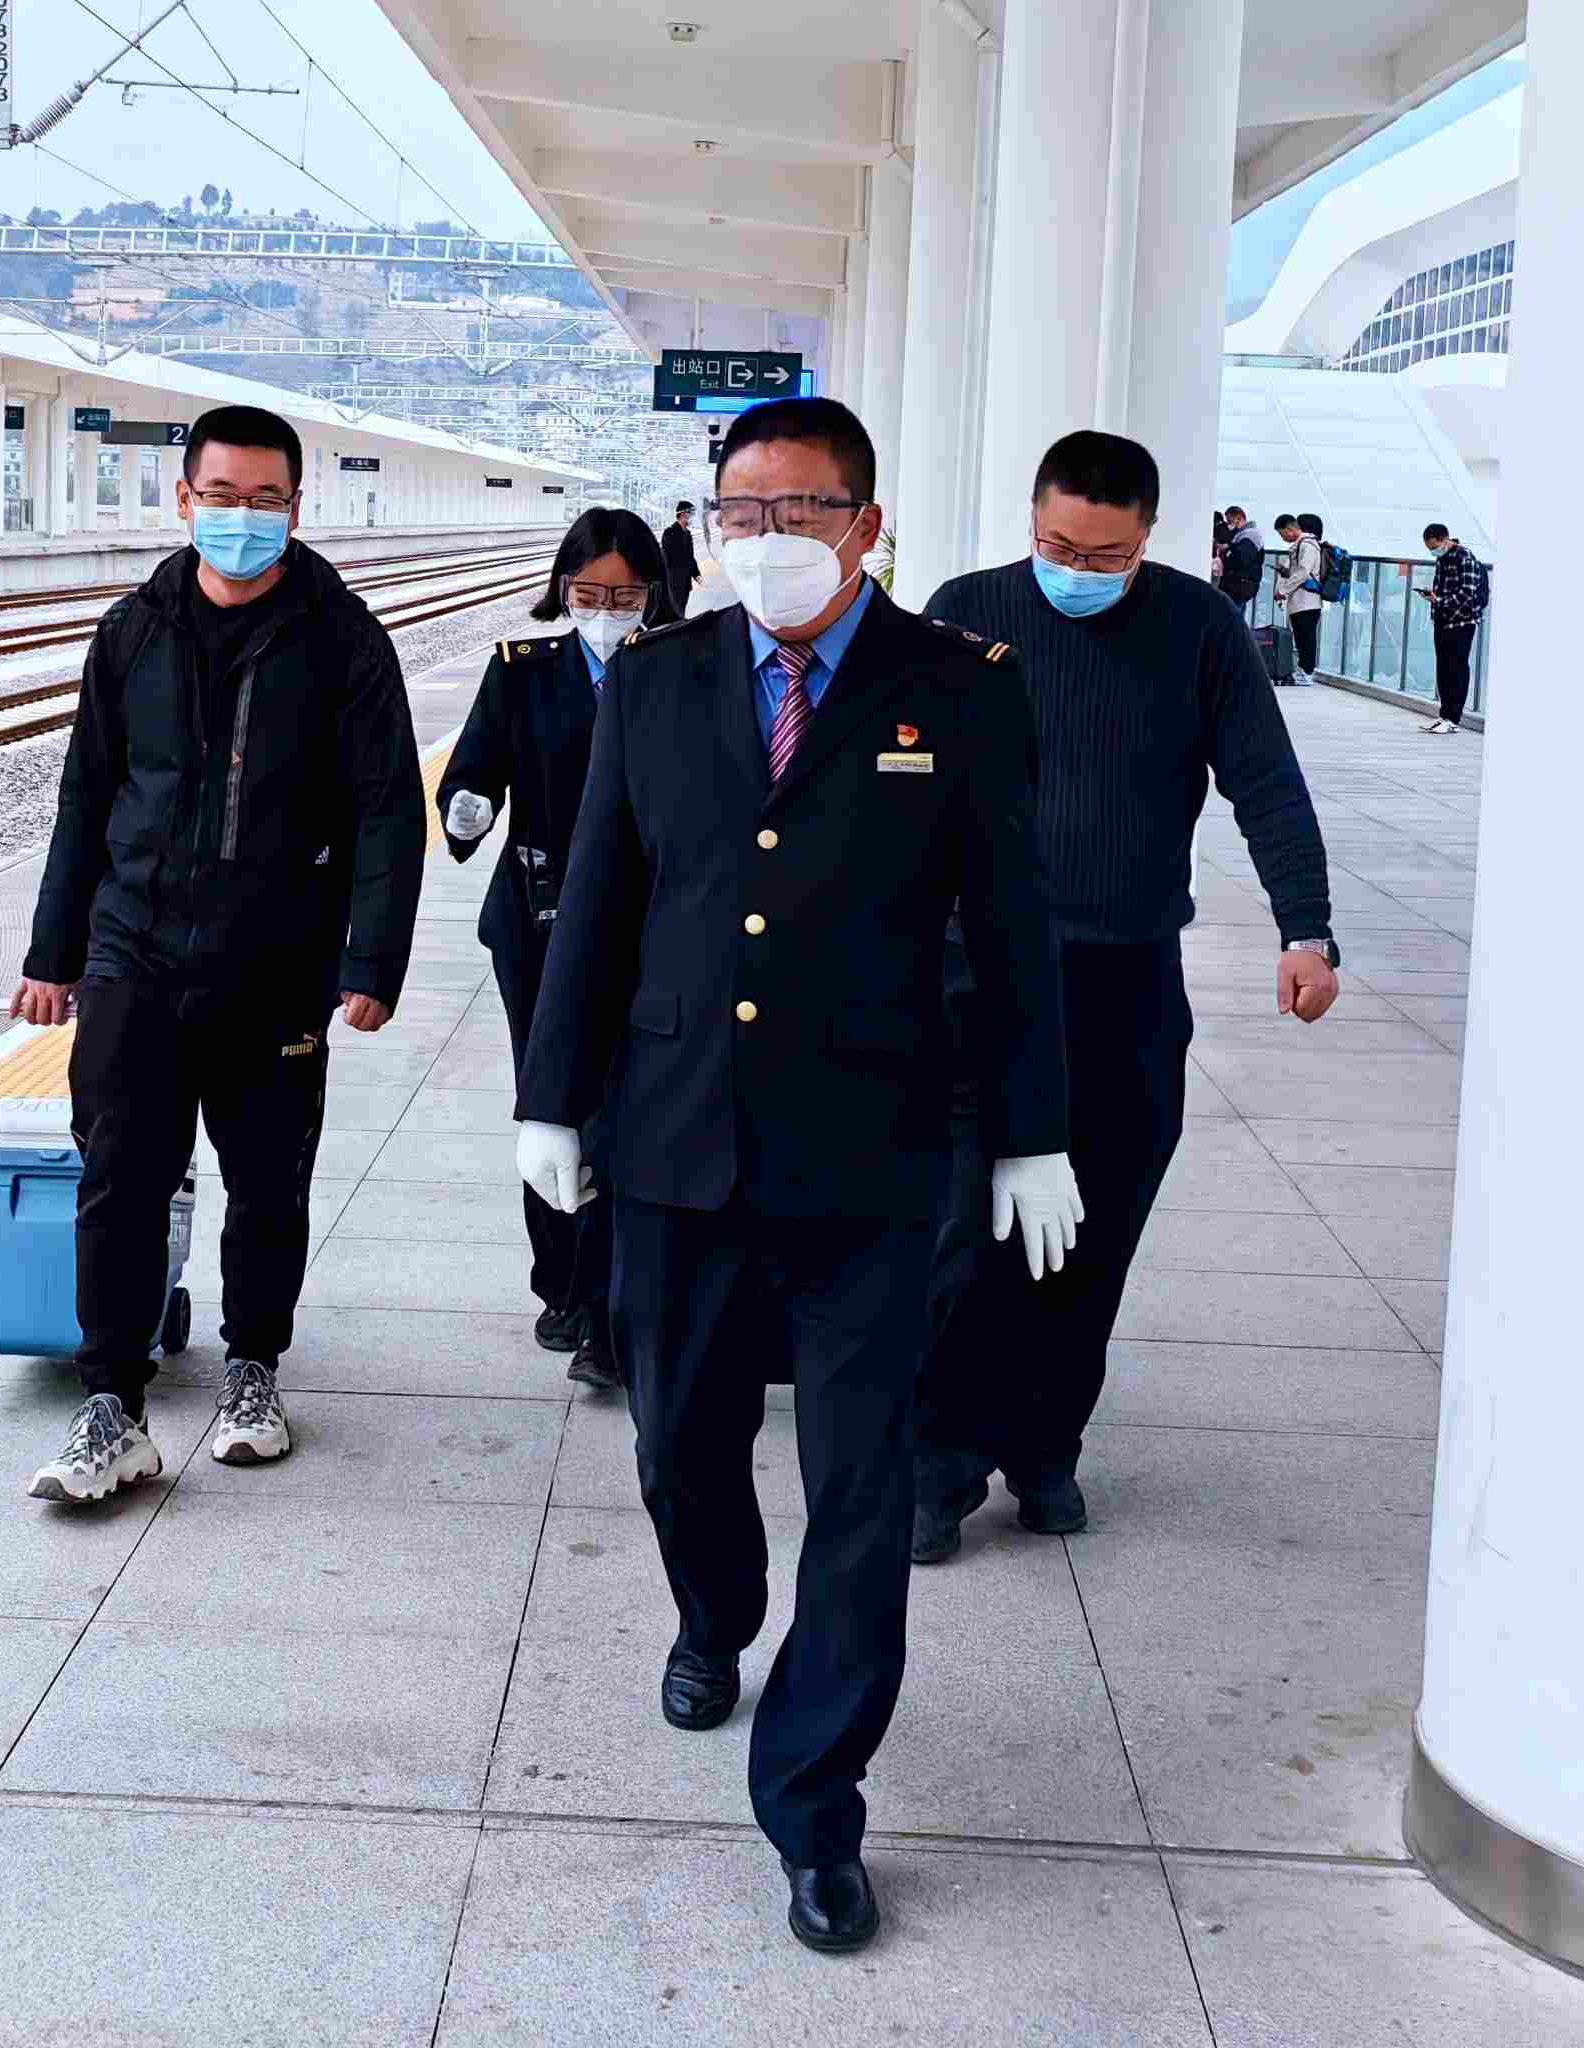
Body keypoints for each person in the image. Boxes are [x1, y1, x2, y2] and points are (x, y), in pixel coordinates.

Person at [516, 396, 1080, 1956]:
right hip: (675, 1137)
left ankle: (816, 1806)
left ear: (867, 527)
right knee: (679, 1451)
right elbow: (600, 900)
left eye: (801, 512)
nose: (765, 541)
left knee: (861, 1488)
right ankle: (713, 1613)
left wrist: (1032, 1131)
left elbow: (1012, 925)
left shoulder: (958, 687)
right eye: (740, 514)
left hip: (872, 1150)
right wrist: (552, 1101)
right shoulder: (659, 680)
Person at [908, 429, 1339, 1562]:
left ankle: (1045, 1447)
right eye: (1060, 546)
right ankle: (935, 1463)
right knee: (965, 1226)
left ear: (1150, 537)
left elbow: (1265, 781)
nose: (1079, 570)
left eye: (1107, 556)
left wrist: (1306, 927)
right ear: (1032, 520)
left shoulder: (1198, 626)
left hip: (1127, 978)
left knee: (1096, 1231)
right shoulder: (965, 611)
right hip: (976, 976)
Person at [14, 403, 426, 1504]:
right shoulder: (132, 630)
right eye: (224, 495)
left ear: (296, 506)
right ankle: (114, 1402)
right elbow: (87, 796)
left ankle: (254, 1371)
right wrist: (54, 951)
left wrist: (371, 960)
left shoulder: (343, 640)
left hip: (276, 957)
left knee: (267, 1180)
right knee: (118, 1179)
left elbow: (389, 808)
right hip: (134, 950)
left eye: (267, 498)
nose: (244, 516)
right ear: (185, 498)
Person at [439, 507, 672, 1391]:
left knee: (626, 1107)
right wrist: (465, 810)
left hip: (650, 926)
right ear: (562, 591)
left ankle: (611, 1302)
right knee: (551, 1098)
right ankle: (561, 1286)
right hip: (539, 922)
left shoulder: (681, 670)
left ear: (653, 593)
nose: (606, 613)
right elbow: (472, 771)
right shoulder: (522, 670)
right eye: (588, 595)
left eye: (624, 596)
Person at [1413, 521, 1489, 733]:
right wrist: (1433, 597)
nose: (1433, 551)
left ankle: (1453, 719)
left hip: (1462, 622)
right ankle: (1444, 715)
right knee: (1444, 669)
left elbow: (1467, 593)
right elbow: (1443, 589)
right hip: (1443, 620)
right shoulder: (1443, 559)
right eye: (1429, 548)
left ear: (1445, 540)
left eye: (1434, 547)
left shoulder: (1465, 557)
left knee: (1457, 668)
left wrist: (1439, 601)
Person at [1272, 513, 1324, 681]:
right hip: (1301, 601)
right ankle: (1303, 670)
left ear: (1290, 529)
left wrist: (1283, 590)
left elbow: (1303, 572)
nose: (1283, 538)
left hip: (1307, 602)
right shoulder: (1301, 545)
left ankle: (1307, 672)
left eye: (1282, 534)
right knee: (1302, 638)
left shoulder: (1307, 545)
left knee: (1306, 638)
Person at [1217, 505, 1267, 615]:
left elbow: (1240, 559)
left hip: (1239, 584)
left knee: (1230, 616)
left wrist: (1227, 553)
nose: (1229, 525)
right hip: (1241, 585)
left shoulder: (1250, 535)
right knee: (1235, 616)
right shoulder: (1245, 534)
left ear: (1238, 518)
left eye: (1230, 521)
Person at [660, 499, 699, 615]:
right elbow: (666, 559)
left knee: (683, 611)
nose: (692, 517)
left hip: (686, 583)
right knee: (676, 613)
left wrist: (696, 575)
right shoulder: (669, 533)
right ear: (682, 514)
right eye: (690, 513)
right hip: (674, 583)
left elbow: (690, 557)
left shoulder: (688, 534)